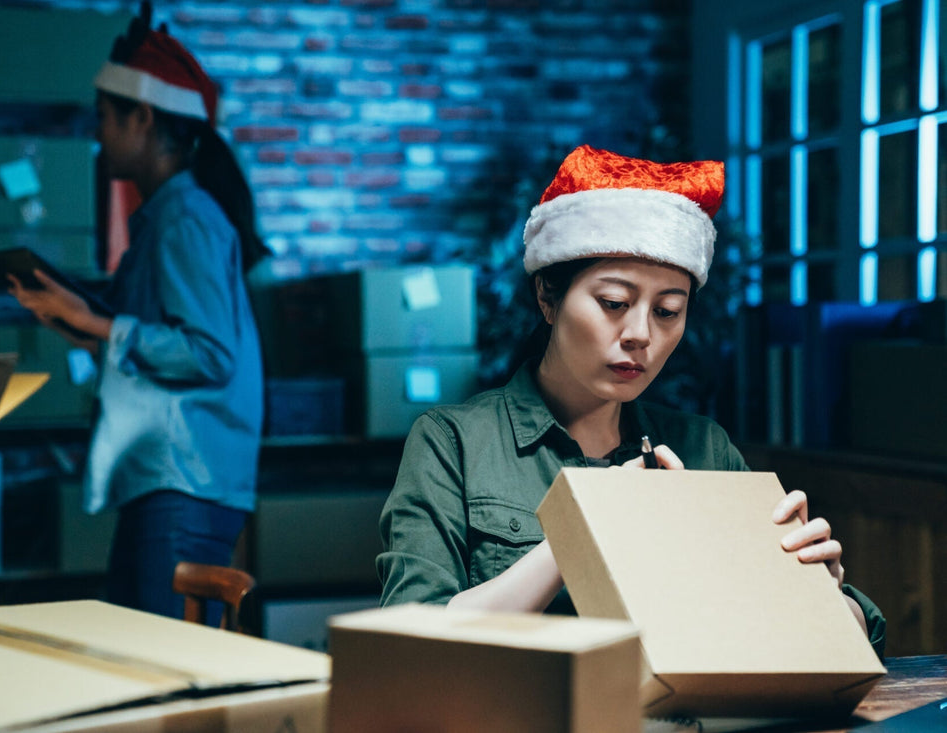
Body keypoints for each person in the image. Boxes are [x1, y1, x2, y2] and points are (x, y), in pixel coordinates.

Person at [376, 144, 886, 658]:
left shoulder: (704, 448)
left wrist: (818, 593)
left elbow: (836, 645)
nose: (640, 334)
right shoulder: (454, 442)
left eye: (667, 311)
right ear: (547, 298)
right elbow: (411, 645)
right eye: (614, 303)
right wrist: (586, 526)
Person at [8, 2, 268, 624]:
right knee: (136, 646)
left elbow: (209, 354)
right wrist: (75, 318)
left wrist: (96, 324)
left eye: (104, 117)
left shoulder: (186, 219)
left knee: (158, 661)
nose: (97, 136)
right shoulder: (164, 219)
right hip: (168, 479)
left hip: (184, 481)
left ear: (142, 119)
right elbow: (158, 342)